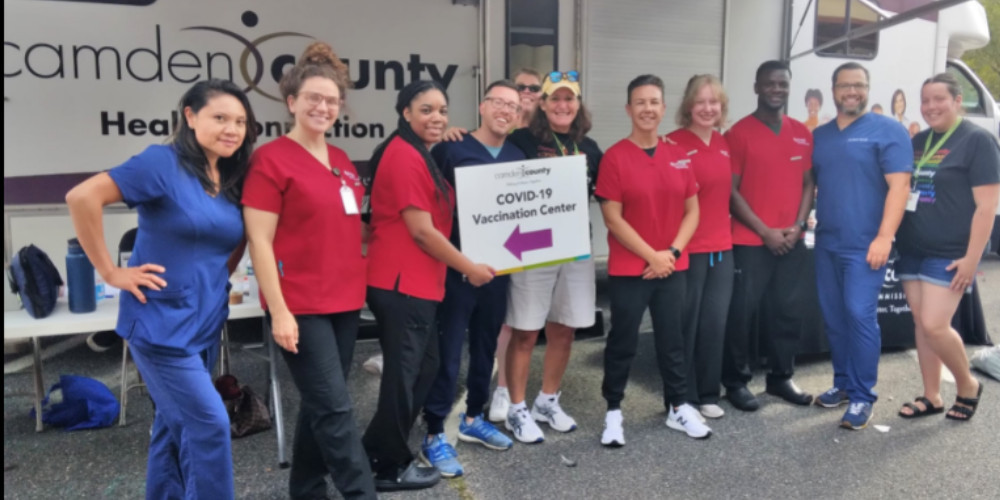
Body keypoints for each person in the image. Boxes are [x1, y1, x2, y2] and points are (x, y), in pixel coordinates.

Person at [65, 79, 257, 499]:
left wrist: (215, 279)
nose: (232, 129)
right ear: (189, 116)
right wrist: (112, 272)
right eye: (220, 117)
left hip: (204, 321)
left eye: (240, 121)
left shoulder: (228, 174)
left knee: (174, 426)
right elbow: (82, 198)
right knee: (209, 425)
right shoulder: (161, 163)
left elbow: (236, 234)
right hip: (161, 326)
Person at [241, 42, 376, 499]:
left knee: (321, 404)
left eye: (332, 100)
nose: (323, 107)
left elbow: (348, 228)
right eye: (314, 98)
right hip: (299, 304)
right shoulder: (271, 159)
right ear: (292, 102)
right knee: (336, 409)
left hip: (343, 299)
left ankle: (306, 488)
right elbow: (259, 239)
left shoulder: (340, 160)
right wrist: (278, 310)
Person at [362, 80, 495, 491]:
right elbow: (422, 232)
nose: (436, 117)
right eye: (425, 110)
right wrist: (469, 268)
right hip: (403, 283)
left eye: (442, 110)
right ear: (405, 113)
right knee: (406, 377)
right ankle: (386, 465)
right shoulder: (403, 157)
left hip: (419, 284)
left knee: (423, 369)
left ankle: (375, 449)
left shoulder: (419, 152)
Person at [418, 80, 524, 477]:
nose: (505, 110)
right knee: (448, 352)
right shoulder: (451, 148)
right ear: (482, 106)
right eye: (498, 102)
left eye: (513, 106)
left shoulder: (517, 154)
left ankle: (473, 417)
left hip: (500, 268)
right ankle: (432, 433)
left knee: (485, 346)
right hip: (457, 267)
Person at [597, 74, 707, 446]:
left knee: (672, 339)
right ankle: (613, 411)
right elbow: (613, 218)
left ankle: (678, 406)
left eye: (654, 102)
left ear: (664, 108)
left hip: (672, 266)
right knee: (623, 340)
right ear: (629, 109)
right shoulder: (614, 158)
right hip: (632, 268)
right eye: (640, 102)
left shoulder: (678, 154)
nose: (647, 108)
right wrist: (652, 256)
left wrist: (671, 253)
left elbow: (693, 211)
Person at [812, 62, 913, 430]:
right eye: (844, 85)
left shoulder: (888, 131)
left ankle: (862, 396)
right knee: (835, 320)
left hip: (865, 246)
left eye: (858, 85)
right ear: (833, 89)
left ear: (868, 89)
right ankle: (842, 384)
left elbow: (900, 187)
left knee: (859, 316)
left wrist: (884, 236)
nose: (851, 91)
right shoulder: (821, 135)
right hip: (826, 243)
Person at [503, 70, 603, 443]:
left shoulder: (590, 148)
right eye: (555, 98)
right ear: (542, 104)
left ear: (578, 105)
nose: (563, 105)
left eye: (570, 99)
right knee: (526, 330)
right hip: (534, 247)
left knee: (565, 327)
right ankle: (516, 408)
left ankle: (547, 400)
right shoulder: (521, 140)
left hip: (576, 248)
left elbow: (612, 194)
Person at [895, 73, 997, 422]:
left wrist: (971, 259)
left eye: (939, 99)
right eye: (925, 100)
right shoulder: (918, 140)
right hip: (912, 247)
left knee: (935, 324)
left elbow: (987, 207)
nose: (930, 107)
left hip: (951, 252)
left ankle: (967, 384)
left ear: (957, 101)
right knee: (922, 326)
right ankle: (932, 395)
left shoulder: (978, 141)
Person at [722, 61, 816, 412]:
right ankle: (736, 381)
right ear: (757, 87)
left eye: (782, 83)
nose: (776, 89)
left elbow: (808, 183)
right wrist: (765, 232)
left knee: (788, 310)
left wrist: (798, 224)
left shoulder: (801, 132)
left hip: (791, 240)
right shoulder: (739, 134)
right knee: (742, 314)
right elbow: (730, 192)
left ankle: (780, 377)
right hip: (750, 242)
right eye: (769, 84)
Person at [665, 74, 733, 420]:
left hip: (723, 248)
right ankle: (682, 397)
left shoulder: (723, 143)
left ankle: (708, 394)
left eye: (714, 102)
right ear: (688, 106)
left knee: (714, 324)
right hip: (687, 250)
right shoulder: (672, 143)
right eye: (701, 102)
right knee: (684, 324)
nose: (708, 108)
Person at [489, 67, 545, 423]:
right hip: (498, 236)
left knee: (527, 321)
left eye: (533, 88)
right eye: (519, 87)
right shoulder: (498, 130)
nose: (526, 92)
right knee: (504, 323)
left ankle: (527, 391)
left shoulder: (544, 134)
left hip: (537, 238)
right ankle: (501, 390)